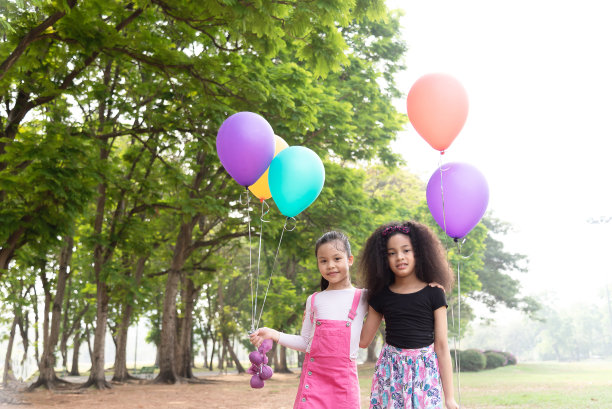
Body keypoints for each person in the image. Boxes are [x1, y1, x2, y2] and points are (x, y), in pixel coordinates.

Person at [250, 231, 368, 408]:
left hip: (344, 388)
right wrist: (273, 334)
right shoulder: (314, 300)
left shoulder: (364, 297)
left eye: (337, 258)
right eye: (323, 260)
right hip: (313, 384)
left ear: (349, 260)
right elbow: (306, 343)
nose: (330, 265)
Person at [359, 221, 459, 409]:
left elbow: (442, 346)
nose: (399, 257)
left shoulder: (434, 293)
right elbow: (363, 341)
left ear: (419, 253)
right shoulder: (380, 295)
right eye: (392, 253)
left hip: (424, 373)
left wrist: (450, 398)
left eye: (406, 250)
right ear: (383, 258)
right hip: (391, 372)